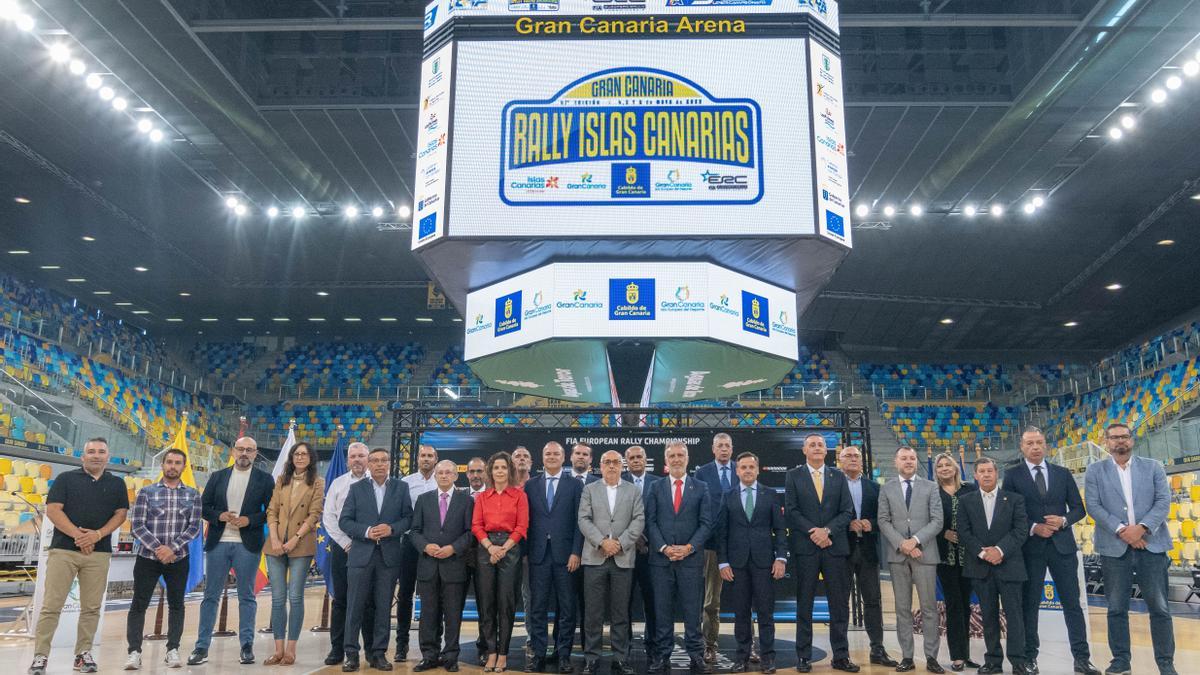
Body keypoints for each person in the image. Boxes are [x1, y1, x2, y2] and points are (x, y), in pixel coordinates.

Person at [1001, 428, 1097, 675]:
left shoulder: (1063, 473)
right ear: (1022, 447)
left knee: (1072, 605)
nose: (1035, 447)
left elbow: (1078, 509)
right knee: (1030, 605)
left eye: (1039, 442)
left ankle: (1082, 659)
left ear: (1046, 445)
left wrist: (1063, 520)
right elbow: (1010, 512)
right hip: (1030, 548)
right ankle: (1029, 658)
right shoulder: (1012, 475)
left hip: (1062, 547)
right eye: (1030, 443)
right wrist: (1034, 527)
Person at [28, 438, 128, 675]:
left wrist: (98, 535)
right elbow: (53, 510)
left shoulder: (117, 484)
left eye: (101, 452)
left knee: (91, 608)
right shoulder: (65, 479)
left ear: (107, 456)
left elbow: (121, 514)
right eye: (91, 451)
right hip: (64, 550)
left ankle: (82, 655)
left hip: (99, 552)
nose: (96, 455)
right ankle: (40, 656)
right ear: (83, 457)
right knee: (51, 606)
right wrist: (79, 536)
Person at [1084, 423, 1176, 675]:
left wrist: (1142, 528)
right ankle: (1121, 661)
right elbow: (1093, 505)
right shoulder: (1095, 471)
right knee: (1116, 608)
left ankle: (1166, 663)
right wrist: (1123, 530)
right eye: (1114, 438)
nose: (1119, 441)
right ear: (1106, 442)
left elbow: (1163, 501)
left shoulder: (1153, 466)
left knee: (1159, 608)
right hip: (1115, 548)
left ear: (1132, 440)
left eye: (1124, 436)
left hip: (1152, 545)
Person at [189, 437, 275, 667]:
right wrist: (219, 515)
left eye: (249, 450)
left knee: (247, 596)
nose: (244, 453)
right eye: (241, 449)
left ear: (256, 454)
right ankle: (201, 646)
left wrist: (250, 520)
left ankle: (246, 646)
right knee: (210, 596)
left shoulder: (265, 480)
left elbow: (271, 511)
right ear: (233, 451)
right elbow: (203, 507)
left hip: (247, 545)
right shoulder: (217, 476)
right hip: (218, 542)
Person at [124, 447, 202, 670]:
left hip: (179, 559)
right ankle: (134, 652)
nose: (172, 466)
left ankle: (173, 649)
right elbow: (137, 526)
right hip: (148, 558)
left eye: (178, 463)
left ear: (183, 467)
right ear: (163, 465)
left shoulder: (193, 495)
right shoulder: (146, 493)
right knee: (139, 604)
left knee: (177, 604)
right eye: (169, 462)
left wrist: (172, 548)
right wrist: (159, 549)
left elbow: (194, 527)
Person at [784, 433, 856, 673]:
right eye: (812, 445)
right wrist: (813, 532)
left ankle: (841, 656)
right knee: (804, 604)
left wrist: (827, 531)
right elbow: (792, 511)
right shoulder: (793, 476)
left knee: (839, 605)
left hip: (834, 548)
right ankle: (803, 656)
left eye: (820, 445)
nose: (816, 448)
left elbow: (847, 511)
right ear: (804, 450)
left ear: (827, 451)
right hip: (805, 548)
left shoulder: (838, 476)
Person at [340, 447, 414, 672]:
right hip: (361, 555)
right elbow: (344, 521)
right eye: (375, 460)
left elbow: (409, 519)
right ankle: (351, 654)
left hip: (388, 558)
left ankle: (378, 653)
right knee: (355, 607)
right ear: (369, 464)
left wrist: (392, 528)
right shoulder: (356, 488)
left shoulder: (401, 488)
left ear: (390, 463)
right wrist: (367, 531)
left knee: (383, 607)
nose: (380, 464)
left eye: (384, 460)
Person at [644, 441, 713, 674]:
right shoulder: (655, 487)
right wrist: (664, 547)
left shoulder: (701, 487)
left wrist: (689, 548)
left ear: (687, 457)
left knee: (692, 612)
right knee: (662, 612)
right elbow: (650, 522)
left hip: (690, 561)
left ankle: (696, 655)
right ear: (666, 459)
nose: (676, 459)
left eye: (680, 455)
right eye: (671, 455)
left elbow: (706, 524)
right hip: (661, 561)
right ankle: (662, 656)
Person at [715, 452, 786, 674]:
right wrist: (722, 563)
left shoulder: (771, 494)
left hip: (764, 563)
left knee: (765, 613)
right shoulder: (727, 496)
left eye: (751, 467)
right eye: (743, 467)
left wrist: (781, 558)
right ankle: (741, 658)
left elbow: (780, 530)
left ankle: (768, 659)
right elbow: (722, 533)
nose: (747, 471)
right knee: (741, 614)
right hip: (736, 564)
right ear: (737, 471)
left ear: (757, 469)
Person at [957, 457, 1029, 675]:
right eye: (982, 471)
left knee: (1015, 616)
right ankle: (993, 661)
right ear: (975, 475)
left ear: (997, 474)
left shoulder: (1015, 499)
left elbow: (1020, 530)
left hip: (1010, 565)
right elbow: (963, 531)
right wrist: (983, 552)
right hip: (980, 567)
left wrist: (999, 551)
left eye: (990, 470)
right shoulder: (966, 500)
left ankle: (1018, 661)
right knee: (988, 615)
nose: (986, 474)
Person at [578, 451, 645, 675]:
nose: (612, 466)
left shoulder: (633, 490)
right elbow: (583, 519)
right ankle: (592, 658)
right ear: (600, 466)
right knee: (593, 614)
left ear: (622, 466)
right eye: (607, 462)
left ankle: (620, 658)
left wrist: (619, 543)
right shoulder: (589, 489)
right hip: (595, 557)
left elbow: (639, 520)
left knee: (620, 613)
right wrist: (602, 543)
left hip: (623, 558)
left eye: (616, 462)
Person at [879, 446, 945, 673]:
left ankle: (932, 657)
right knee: (902, 609)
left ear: (916, 462)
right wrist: (903, 545)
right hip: (898, 557)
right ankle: (907, 657)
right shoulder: (886, 488)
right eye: (904, 458)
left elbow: (937, 521)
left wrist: (915, 541)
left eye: (912, 458)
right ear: (896, 462)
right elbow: (883, 521)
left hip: (925, 555)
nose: (908, 461)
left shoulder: (931, 487)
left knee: (929, 609)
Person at [524, 442, 584, 674]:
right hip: (538, 556)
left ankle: (564, 655)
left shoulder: (575, 484)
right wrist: (526, 552)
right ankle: (539, 654)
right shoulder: (530, 485)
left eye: (555, 454)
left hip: (566, 556)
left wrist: (576, 552)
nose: (551, 457)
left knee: (568, 609)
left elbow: (580, 521)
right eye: (547, 453)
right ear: (542, 456)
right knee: (537, 608)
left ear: (563, 457)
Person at [411, 460, 475, 672]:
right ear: (436, 476)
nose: (445, 476)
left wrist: (453, 548)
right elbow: (414, 531)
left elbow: (470, 533)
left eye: (449, 472)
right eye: (441, 472)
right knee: (428, 614)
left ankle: (450, 657)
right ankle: (429, 655)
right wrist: (425, 546)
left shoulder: (467, 501)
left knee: (453, 614)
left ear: (457, 476)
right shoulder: (423, 499)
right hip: (428, 565)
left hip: (454, 565)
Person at [264, 441, 325, 665]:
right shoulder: (282, 480)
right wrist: (275, 538)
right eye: (296, 454)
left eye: (304, 454)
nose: (300, 457)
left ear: (311, 458)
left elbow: (314, 514)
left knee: (295, 597)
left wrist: (294, 540)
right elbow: (272, 510)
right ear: (291, 457)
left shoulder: (318, 483)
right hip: (275, 544)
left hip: (300, 544)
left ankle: (291, 650)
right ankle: (278, 649)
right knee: (278, 599)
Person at [839, 445, 898, 668]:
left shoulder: (875, 488)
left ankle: (877, 648)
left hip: (868, 551)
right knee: (841, 603)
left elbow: (884, 517)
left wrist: (870, 524)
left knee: (873, 601)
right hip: (842, 551)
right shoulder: (834, 485)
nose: (853, 459)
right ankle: (841, 651)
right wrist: (847, 524)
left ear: (862, 461)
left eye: (856, 456)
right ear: (840, 460)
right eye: (848, 456)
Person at [473, 452, 530, 673]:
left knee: (506, 605)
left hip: (510, 549)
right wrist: (490, 547)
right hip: (486, 548)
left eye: (503, 468)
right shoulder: (482, 497)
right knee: (486, 605)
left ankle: (503, 655)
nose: (499, 471)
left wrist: (503, 548)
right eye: (496, 467)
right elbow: (476, 525)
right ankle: (491, 653)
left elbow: (522, 526)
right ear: (490, 471)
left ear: (509, 471)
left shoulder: (519, 496)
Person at [322, 442, 376, 666]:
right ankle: (338, 649)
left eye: (361, 456)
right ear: (347, 460)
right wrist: (345, 543)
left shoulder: (379, 483)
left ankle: (372, 651)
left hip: (371, 548)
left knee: (369, 601)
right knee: (342, 600)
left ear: (368, 459)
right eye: (353, 456)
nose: (357, 460)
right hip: (342, 548)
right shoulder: (337, 483)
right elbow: (329, 518)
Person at [933, 452, 979, 672]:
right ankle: (957, 656)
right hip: (945, 558)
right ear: (936, 471)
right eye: (940, 466)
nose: (944, 468)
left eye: (947, 465)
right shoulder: (933, 493)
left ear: (955, 468)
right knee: (953, 606)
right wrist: (944, 533)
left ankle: (966, 654)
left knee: (965, 606)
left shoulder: (970, 489)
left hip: (968, 556)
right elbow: (927, 520)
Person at [693, 433, 736, 664]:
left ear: (732, 448)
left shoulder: (742, 469)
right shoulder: (703, 473)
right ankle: (710, 645)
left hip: (739, 544)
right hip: (710, 546)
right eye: (720, 445)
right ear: (713, 449)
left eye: (727, 445)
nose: (724, 449)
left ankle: (747, 646)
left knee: (745, 599)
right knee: (711, 599)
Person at [398, 444, 440, 662]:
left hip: (433, 546)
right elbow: (403, 514)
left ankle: (431, 645)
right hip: (409, 545)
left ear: (436, 459)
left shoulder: (442, 480)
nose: (426, 459)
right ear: (417, 459)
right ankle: (401, 644)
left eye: (430, 456)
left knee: (431, 597)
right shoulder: (406, 483)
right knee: (405, 595)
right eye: (422, 455)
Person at [621, 445, 663, 660]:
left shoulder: (658, 482)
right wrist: (634, 537)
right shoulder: (618, 482)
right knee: (623, 602)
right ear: (626, 461)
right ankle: (624, 644)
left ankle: (653, 642)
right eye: (632, 458)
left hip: (652, 552)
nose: (636, 460)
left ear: (646, 459)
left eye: (640, 457)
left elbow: (661, 516)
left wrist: (647, 540)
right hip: (625, 551)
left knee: (652, 600)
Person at [567, 443, 599, 651]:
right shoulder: (562, 482)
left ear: (590, 460)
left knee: (590, 606)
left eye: (585, 454)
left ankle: (590, 651)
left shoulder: (600, 483)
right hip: (566, 554)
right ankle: (563, 650)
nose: (581, 457)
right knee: (566, 606)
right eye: (577, 453)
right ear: (571, 457)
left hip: (593, 555)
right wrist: (573, 551)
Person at [465, 456, 489, 662]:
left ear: (486, 473)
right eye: (472, 472)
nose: (475, 475)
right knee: (452, 606)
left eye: (479, 471)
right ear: (466, 474)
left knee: (486, 606)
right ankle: (450, 649)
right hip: (459, 559)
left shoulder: (491, 496)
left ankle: (485, 648)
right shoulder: (458, 495)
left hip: (485, 558)